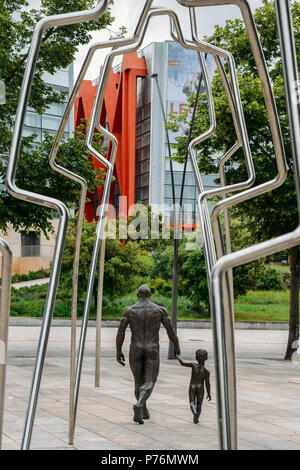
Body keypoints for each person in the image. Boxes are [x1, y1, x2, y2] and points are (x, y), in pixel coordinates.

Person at [116, 284, 181, 424]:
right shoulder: (159, 310)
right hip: (152, 349)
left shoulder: (129, 311)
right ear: (150, 295)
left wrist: (118, 350)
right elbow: (171, 331)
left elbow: (120, 332)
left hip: (136, 349)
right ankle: (140, 405)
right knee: (150, 381)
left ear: (137, 294)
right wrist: (177, 347)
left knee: (138, 382)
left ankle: (142, 409)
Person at [177, 349, 211, 424]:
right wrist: (209, 393)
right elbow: (207, 384)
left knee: (192, 402)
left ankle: (194, 412)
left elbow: (183, 363)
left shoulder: (193, 365)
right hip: (200, 387)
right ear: (206, 358)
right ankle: (196, 418)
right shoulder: (206, 371)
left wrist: (178, 357)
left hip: (192, 386)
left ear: (196, 358)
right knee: (199, 404)